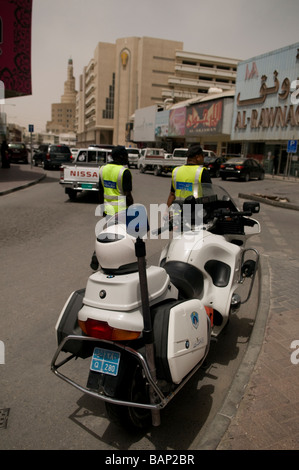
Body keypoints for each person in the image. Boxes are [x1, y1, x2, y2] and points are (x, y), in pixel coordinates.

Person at [90, 145, 134, 269]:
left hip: (108, 209)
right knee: (122, 238)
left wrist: (103, 207)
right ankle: (117, 262)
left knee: (109, 234)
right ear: (120, 157)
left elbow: (101, 191)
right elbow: (128, 195)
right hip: (122, 210)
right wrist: (132, 211)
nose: (127, 158)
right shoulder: (124, 172)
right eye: (125, 155)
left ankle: (96, 258)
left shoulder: (103, 170)